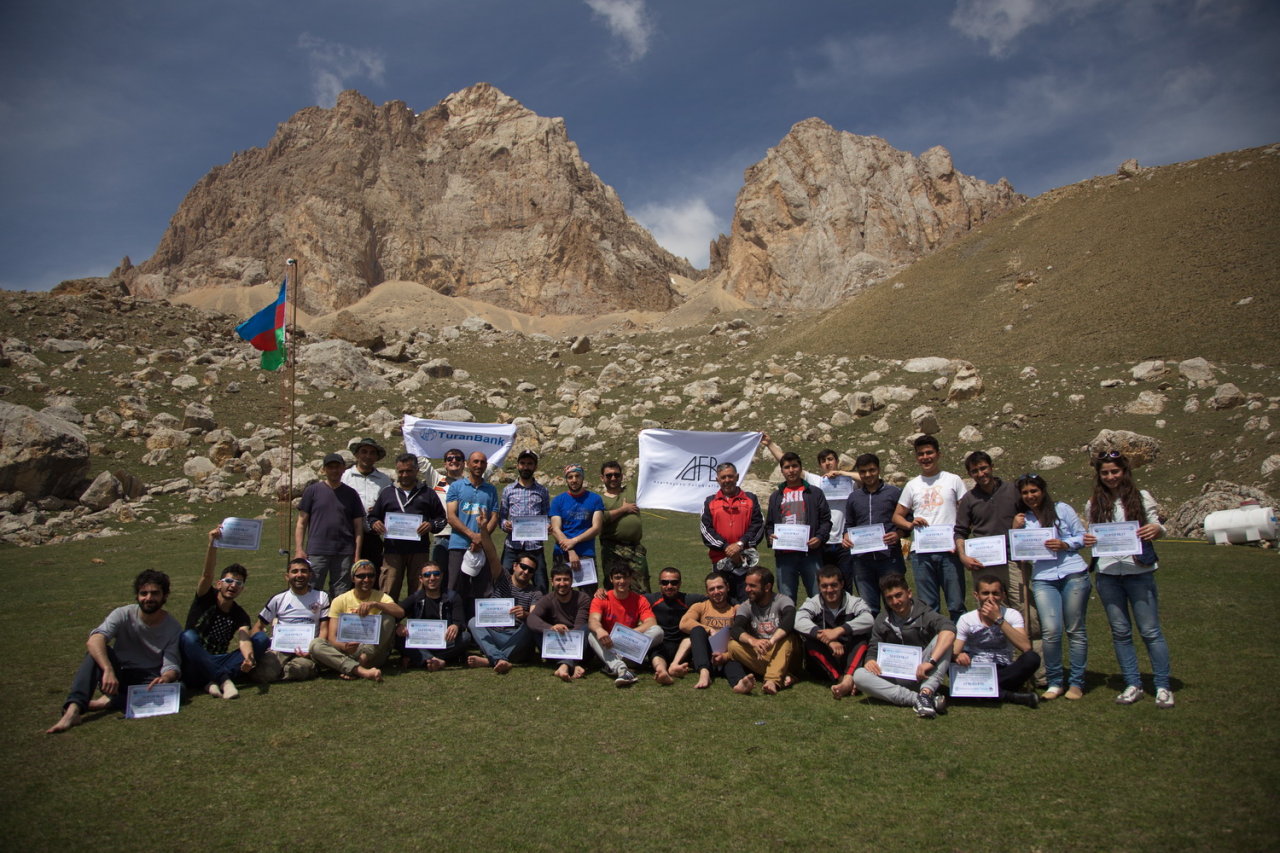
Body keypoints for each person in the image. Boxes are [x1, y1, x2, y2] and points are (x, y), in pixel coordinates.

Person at [1083, 451, 1174, 708]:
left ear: (1124, 472)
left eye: (1115, 471)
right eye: (1105, 473)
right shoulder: (1093, 503)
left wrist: (1157, 529)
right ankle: (1132, 683)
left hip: (1139, 572)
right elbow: (1092, 533)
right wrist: (1088, 539)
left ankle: (1163, 685)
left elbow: (1158, 526)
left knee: (1150, 631)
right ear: (1099, 476)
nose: (1110, 477)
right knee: (1120, 632)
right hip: (1108, 574)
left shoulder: (1141, 497)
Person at [47, 570, 182, 734]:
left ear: (164, 596)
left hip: (148, 679)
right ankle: (73, 710)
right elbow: (95, 639)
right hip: (117, 676)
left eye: (154, 593)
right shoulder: (123, 614)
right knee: (95, 653)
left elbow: (171, 664)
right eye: (143, 593)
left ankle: (107, 702)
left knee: (178, 690)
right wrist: (108, 669)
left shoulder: (173, 627)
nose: (148, 598)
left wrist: (165, 678)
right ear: (137, 595)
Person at [1013, 473, 1090, 701]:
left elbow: (1083, 537)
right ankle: (1055, 681)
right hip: (1043, 577)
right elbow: (1019, 551)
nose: (1030, 496)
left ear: (1043, 491)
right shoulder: (1024, 519)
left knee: (1075, 629)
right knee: (1051, 631)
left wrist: (1065, 543)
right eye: (1025, 492)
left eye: (1034, 491)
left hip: (1073, 572)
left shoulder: (1062, 509)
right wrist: (1014, 528)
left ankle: (1076, 682)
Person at [762, 435, 859, 590]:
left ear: (837, 461)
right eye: (823, 461)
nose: (828, 463)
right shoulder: (817, 482)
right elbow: (788, 464)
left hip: (843, 542)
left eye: (830, 459)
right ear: (820, 465)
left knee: (845, 585)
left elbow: (868, 478)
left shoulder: (849, 482)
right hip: (821, 543)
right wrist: (770, 444)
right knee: (826, 587)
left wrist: (842, 473)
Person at [853, 573, 955, 718]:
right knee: (859, 676)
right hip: (894, 675)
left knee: (944, 637)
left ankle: (926, 691)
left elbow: (950, 629)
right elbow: (873, 647)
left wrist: (931, 662)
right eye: (889, 598)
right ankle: (920, 699)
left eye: (898, 595)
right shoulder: (882, 619)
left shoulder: (924, 613)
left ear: (909, 593)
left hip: (922, 672)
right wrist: (870, 660)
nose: (895, 601)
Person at [892, 434, 967, 622]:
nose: (925, 457)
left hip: (949, 551)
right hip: (921, 553)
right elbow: (897, 516)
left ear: (938, 454)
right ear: (916, 457)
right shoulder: (912, 485)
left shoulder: (953, 480)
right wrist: (910, 524)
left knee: (956, 604)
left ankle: (959, 640)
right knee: (928, 606)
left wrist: (960, 541)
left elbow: (966, 513)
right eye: (921, 454)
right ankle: (934, 640)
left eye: (929, 453)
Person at [180, 526, 254, 699]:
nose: (233, 585)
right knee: (187, 637)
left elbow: (244, 638)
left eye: (239, 583)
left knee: (260, 640)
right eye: (229, 581)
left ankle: (209, 680)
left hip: (219, 658)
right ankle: (223, 680)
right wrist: (212, 544)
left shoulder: (240, 614)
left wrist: (248, 658)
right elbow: (207, 574)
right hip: (194, 658)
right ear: (219, 584)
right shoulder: (205, 596)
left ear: (242, 589)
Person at [951, 575, 1040, 707]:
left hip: (1004, 670)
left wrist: (999, 619)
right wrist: (957, 655)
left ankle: (979, 691)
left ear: (1003, 595)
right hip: (976, 669)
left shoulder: (1012, 615)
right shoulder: (967, 619)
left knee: (1032, 658)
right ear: (976, 595)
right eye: (985, 593)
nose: (991, 598)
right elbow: (954, 651)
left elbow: (1026, 647)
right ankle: (1009, 696)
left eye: (995, 593)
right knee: (945, 659)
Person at [368, 452, 447, 601]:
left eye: (409, 471)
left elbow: (442, 519)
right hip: (392, 551)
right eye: (401, 471)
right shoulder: (387, 492)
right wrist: (374, 523)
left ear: (416, 470)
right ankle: (388, 616)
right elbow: (372, 517)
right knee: (388, 589)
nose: (404, 475)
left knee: (419, 591)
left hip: (419, 550)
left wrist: (431, 525)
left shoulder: (428, 493)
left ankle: (416, 616)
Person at [308, 559, 404, 681]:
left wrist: (376, 604)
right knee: (316, 644)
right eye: (361, 576)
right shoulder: (340, 600)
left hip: (371, 653)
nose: (366, 580)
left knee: (388, 618)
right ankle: (360, 670)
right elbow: (332, 637)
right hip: (347, 650)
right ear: (353, 578)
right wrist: (344, 646)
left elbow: (400, 612)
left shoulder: (381, 597)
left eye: (370, 575)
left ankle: (354, 663)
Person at [954, 450, 1026, 612]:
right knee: (990, 610)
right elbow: (960, 531)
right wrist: (963, 556)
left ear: (992, 467)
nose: (981, 474)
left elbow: (1030, 516)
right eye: (975, 471)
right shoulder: (969, 499)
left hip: (1013, 560)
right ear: (970, 474)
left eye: (983, 468)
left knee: (1024, 608)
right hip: (984, 564)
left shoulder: (1013, 490)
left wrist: (1019, 522)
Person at [467, 534, 543, 674]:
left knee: (530, 625)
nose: (526, 572)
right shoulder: (502, 578)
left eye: (531, 570)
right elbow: (492, 555)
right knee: (473, 622)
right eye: (523, 567)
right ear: (515, 566)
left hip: (516, 638)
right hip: (494, 633)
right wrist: (483, 530)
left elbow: (536, 619)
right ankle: (499, 658)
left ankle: (492, 659)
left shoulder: (535, 593)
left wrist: (525, 614)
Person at [794, 565, 874, 699]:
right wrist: (827, 639)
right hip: (825, 660)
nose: (829, 590)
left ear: (842, 584)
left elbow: (869, 619)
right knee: (809, 642)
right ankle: (841, 678)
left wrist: (839, 630)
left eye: (834, 585)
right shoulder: (814, 603)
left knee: (861, 639)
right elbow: (798, 620)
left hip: (848, 655)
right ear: (819, 586)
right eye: (824, 586)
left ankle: (848, 678)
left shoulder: (854, 602)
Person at [247, 557, 330, 684]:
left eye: (304, 571)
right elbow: (258, 626)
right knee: (264, 672)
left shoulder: (321, 597)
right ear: (287, 576)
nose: (299, 575)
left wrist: (313, 651)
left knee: (301, 669)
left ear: (310, 575)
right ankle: (277, 670)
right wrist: (251, 650)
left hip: (306, 650)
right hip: (281, 648)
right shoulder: (278, 599)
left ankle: (282, 671)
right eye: (295, 571)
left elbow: (324, 629)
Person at [843, 453, 905, 617]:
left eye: (872, 470)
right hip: (862, 561)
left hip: (889, 558)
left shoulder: (894, 493)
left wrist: (898, 534)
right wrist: (846, 536)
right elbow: (849, 524)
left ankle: (898, 633)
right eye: (863, 471)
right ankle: (873, 634)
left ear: (879, 470)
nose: (868, 475)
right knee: (869, 609)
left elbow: (908, 520)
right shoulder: (854, 497)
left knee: (896, 604)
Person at [764, 451, 832, 601]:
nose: (791, 470)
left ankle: (819, 618)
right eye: (787, 467)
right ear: (782, 471)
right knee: (786, 599)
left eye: (794, 466)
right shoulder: (776, 496)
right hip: (785, 556)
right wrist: (770, 536)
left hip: (810, 554)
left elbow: (826, 521)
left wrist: (819, 538)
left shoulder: (814, 493)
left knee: (818, 597)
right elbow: (769, 524)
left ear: (800, 468)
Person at [295, 452, 365, 597]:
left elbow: (358, 528)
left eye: (337, 467)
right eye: (330, 467)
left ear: (343, 469)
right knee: (311, 590)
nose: (334, 470)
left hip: (344, 552)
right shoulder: (312, 491)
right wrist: (299, 549)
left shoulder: (351, 494)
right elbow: (301, 523)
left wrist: (357, 555)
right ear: (324, 470)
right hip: (317, 551)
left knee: (341, 593)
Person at [726, 566, 799, 695]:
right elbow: (736, 629)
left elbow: (789, 621)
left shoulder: (782, 600)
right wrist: (753, 641)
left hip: (785, 652)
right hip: (763, 653)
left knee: (787, 637)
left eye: (752, 586)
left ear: (767, 587)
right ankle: (783, 674)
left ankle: (772, 680)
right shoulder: (746, 605)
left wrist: (771, 641)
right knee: (732, 646)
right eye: (746, 585)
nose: (747, 589)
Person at [587, 564, 663, 687]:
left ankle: (613, 665)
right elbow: (593, 620)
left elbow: (651, 622)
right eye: (617, 578)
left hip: (630, 646)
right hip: (609, 644)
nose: (622, 581)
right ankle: (621, 669)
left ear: (631, 579)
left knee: (658, 631)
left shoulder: (640, 599)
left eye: (625, 577)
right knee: (592, 634)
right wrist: (600, 630)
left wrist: (628, 634)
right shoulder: (602, 598)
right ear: (611, 579)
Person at [444, 450, 500, 616]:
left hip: (483, 547)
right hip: (459, 544)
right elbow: (451, 517)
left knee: (483, 589)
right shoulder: (456, 487)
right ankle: (454, 624)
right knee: (455, 587)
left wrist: (481, 539)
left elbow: (494, 517)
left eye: (482, 462)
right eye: (475, 461)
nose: (478, 465)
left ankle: (479, 626)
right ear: (467, 464)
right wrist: (472, 536)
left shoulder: (491, 490)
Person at [699, 462, 764, 603]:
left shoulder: (750, 499)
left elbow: (758, 525)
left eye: (730, 476)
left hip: (746, 561)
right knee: (722, 604)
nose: (727, 480)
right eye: (723, 477)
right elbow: (706, 530)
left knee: (748, 602)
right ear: (717, 480)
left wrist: (740, 544)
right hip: (720, 562)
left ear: (737, 477)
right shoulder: (710, 502)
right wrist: (726, 547)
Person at [396, 562, 468, 670]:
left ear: (441, 576)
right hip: (420, 642)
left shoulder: (453, 597)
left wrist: (456, 626)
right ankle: (434, 659)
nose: (432, 578)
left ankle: (423, 658)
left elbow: (460, 621)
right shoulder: (415, 598)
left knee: (465, 637)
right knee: (396, 636)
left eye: (436, 574)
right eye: (427, 575)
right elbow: (397, 613)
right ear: (421, 579)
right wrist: (398, 626)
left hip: (444, 642)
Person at [527, 563, 593, 681]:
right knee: (534, 628)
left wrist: (567, 637)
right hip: (556, 645)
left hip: (578, 646)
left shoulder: (582, 598)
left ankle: (564, 665)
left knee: (587, 628)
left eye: (566, 579)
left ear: (572, 581)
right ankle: (573, 665)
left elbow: (579, 628)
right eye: (558, 580)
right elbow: (531, 618)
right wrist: (551, 627)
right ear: (552, 582)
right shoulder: (547, 599)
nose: (562, 584)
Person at [500, 449, 551, 593]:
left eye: (529, 464)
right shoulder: (508, 490)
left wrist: (547, 526)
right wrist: (505, 525)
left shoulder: (542, 491)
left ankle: (538, 607)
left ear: (535, 466)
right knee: (503, 582)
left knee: (541, 585)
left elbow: (547, 515)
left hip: (535, 547)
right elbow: (501, 517)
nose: (526, 467)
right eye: (522, 463)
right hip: (512, 546)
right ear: (517, 465)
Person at [549, 463, 605, 593]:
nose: (574, 480)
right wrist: (570, 550)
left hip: (586, 554)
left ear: (582, 477)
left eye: (577, 476)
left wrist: (574, 541)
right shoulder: (558, 501)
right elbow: (556, 529)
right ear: (566, 479)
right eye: (570, 477)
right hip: (562, 553)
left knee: (588, 595)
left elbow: (596, 528)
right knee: (560, 593)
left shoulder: (595, 499)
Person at [678, 571, 739, 689]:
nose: (716, 592)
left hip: (726, 654)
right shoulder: (701, 606)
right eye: (712, 589)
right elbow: (684, 623)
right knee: (697, 630)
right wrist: (709, 629)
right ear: (707, 592)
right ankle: (704, 673)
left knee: (732, 663)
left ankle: (739, 682)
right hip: (706, 654)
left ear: (727, 587)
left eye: (720, 587)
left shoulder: (735, 609)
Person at [644, 567, 704, 685]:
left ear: (680, 584)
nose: (669, 586)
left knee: (690, 637)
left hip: (682, 650)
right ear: (659, 584)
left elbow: (714, 597)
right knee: (655, 649)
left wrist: (736, 605)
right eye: (665, 582)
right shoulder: (651, 599)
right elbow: (627, 595)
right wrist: (605, 593)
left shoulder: (688, 600)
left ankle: (674, 666)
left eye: (674, 582)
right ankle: (661, 671)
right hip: (661, 646)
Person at [343, 437, 394, 570]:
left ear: (377, 457)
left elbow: (391, 506)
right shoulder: (345, 476)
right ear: (357, 454)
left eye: (372, 453)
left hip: (372, 536)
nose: (368, 456)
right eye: (364, 452)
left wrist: (380, 512)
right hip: (347, 535)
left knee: (371, 574)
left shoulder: (384, 480)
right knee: (346, 574)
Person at [599, 460, 650, 593]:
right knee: (614, 586)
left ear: (622, 476)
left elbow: (645, 471)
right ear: (602, 478)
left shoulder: (631, 489)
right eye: (609, 475)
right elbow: (601, 519)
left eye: (616, 475)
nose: (613, 478)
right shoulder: (599, 499)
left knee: (641, 588)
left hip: (635, 548)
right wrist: (623, 509)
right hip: (612, 549)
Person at [431, 448, 466, 572]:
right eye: (450, 458)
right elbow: (421, 463)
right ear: (445, 463)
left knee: (461, 576)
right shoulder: (436, 479)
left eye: (458, 458)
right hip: (442, 536)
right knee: (439, 575)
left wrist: (509, 441)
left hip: (464, 535)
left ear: (464, 463)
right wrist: (410, 437)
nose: (454, 461)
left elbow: (490, 467)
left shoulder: (469, 483)